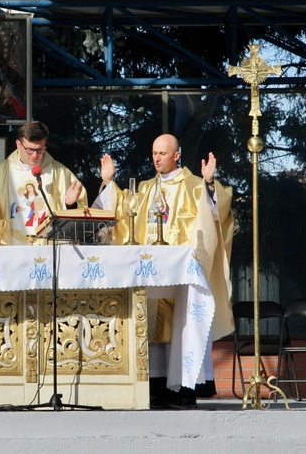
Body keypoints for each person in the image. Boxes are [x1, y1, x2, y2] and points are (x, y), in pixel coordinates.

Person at [95, 134, 234, 409]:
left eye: (162, 153)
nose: (157, 158)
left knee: (183, 326)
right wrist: (110, 183)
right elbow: (123, 211)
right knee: (149, 326)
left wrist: (209, 182)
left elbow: (217, 211)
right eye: (154, 152)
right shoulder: (145, 188)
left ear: (176, 155)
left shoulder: (195, 185)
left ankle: (184, 390)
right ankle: (155, 389)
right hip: (151, 272)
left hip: (182, 274)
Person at [0, 120, 87, 245]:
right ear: (18, 144)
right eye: (30, 150)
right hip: (10, 246)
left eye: (41, 149)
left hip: (48, 247)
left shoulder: (60, 172)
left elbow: (81, 213)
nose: (35, 155)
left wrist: (69, 204)